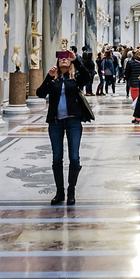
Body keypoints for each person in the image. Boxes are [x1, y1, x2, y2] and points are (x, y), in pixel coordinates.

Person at [36, 51, 93, 205]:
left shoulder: (75, 79)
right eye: (61, 57)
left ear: (70, 62)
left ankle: (71, 190)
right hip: (56, 123)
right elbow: (40, 93)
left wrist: (77, 60)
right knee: (57, 157)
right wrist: (48, 76)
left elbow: (88, 77)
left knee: (74, 157)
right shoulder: (53, 79)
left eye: (66, 57)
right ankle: (59, 192)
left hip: (73, 122)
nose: (63, 59)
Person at [124, 49, 140, 123]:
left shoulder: (130, 63)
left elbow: (127, 73)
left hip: (133, 83)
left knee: (135, 101)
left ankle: (137, 117)